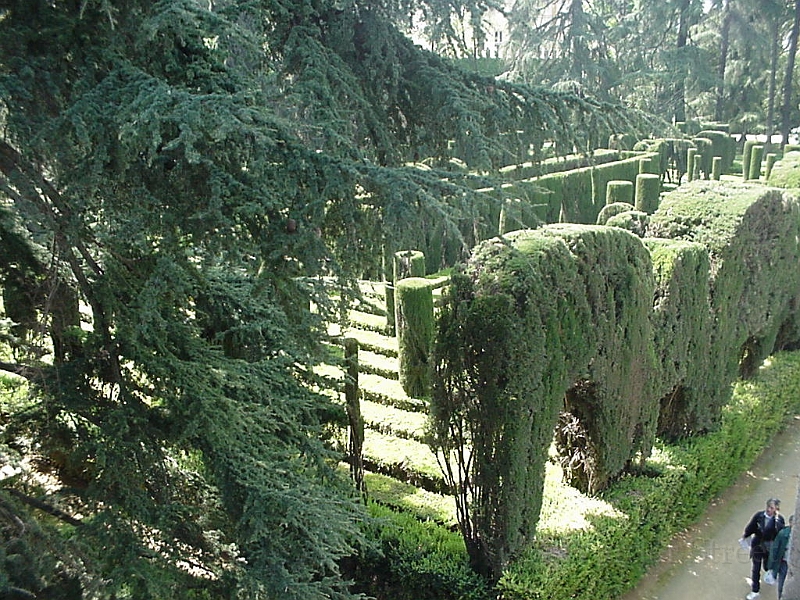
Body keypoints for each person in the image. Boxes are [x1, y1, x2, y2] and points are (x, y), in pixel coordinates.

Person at [742, 497, 786, 600]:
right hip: (758, 546)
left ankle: (771, 575)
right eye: (768, 507)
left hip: (770, 548)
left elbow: (780, 535)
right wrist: (746, 535)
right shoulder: (759, 516)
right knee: (755, 568)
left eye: (771, 508)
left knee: (767, 567)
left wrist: (776, 522)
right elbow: (751, 526)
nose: (768, 509)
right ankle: (755, 590)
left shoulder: (779, 520)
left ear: (776, 509)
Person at [767, 514, 793, 599]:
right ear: (790, 523)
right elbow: (774, 549)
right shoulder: (782, 534)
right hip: (784, 563)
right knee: (781, 584)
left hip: (795, 565)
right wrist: (771, 566)